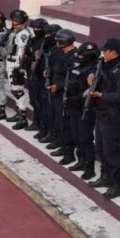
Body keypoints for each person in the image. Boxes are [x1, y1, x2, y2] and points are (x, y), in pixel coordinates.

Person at [86, 38, 120, 199]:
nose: (103, 53)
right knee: (100, 148)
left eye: (105, 51)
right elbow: (98, 72)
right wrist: (92, 75)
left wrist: (100, 95)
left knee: (112, 151)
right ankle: (105, 176)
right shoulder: (106, 63)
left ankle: (116, 184)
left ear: (113, 52)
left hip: (112, 114)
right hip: (101, 112)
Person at [66, 42, 99, 180]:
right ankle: (81, 160)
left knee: (86, 138)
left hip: (85, 108)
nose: (79, 57)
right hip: (74, 105)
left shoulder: (94, 70)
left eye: (82, 55)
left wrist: (77, 98)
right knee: (76, 134)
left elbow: (88, 91)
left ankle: (89, 167)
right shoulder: (78, 65)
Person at [47, 28, 77, 164]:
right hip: (56, 92)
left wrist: (58, 86)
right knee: (57, 120)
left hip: (65, 94)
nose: (56, 44)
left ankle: (69, 152)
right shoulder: (61, 53)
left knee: (65, 124)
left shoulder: (74, 57)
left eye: (58, 41)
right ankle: (61, 144)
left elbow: (71, 78)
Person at [5, 10, 33, 129]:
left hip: (16, 63)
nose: (13, 22)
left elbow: (22, 50)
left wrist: (18, 66)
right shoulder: (15, 31)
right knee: (14, 89)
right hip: (10, 61)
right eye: (13, 20)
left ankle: (23, 118)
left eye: (16, 20)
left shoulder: (23, 33)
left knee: (18, 90)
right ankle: (18, 113)